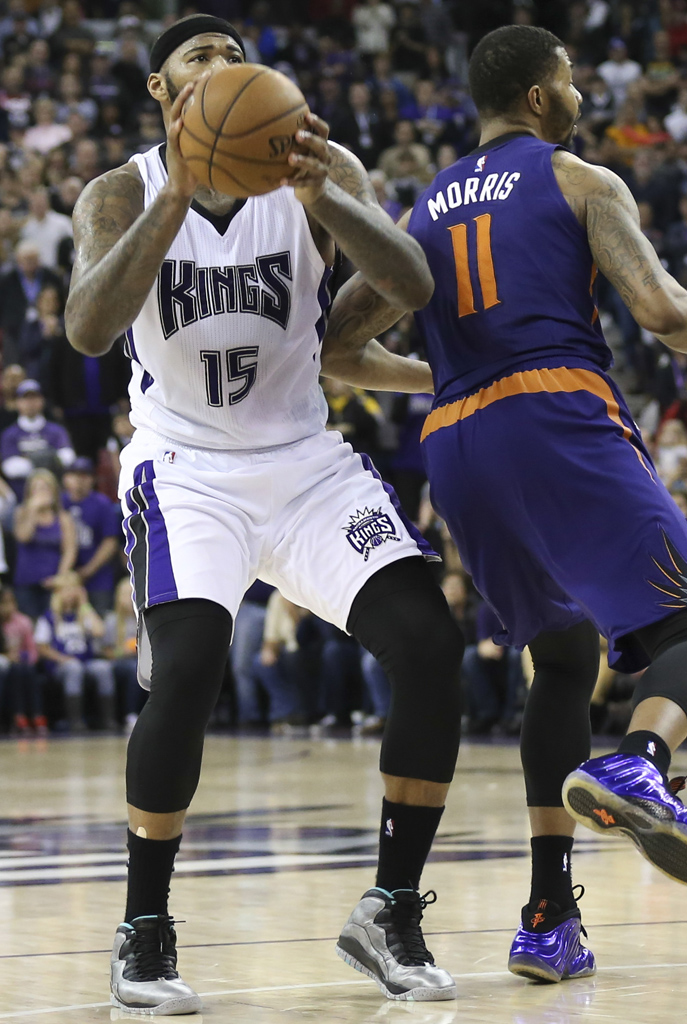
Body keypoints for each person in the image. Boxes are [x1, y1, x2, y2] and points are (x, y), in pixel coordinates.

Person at [65, 15, 463, 1015]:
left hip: (304, 463)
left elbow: (411, 281)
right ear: (163, 90)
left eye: (235, 55)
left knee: (427, 641)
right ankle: (144, 932)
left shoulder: (315, 172)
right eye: (200, 57)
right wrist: (181, 197)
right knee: (192, 667)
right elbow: (87, 327)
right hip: (184, 468)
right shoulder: (120, 191)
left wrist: (329, 192)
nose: (222, 67)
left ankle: (391, 907)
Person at [323, 22, 687, 989]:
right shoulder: (577, 178)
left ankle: (547, 921)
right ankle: (641, 758)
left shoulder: (423, 209)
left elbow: (336, 350)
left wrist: (446, 378)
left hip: (459, 445)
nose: (575, 95)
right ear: (539, 97)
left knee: (561, 662)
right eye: (567, 80)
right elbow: (661, 312)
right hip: (555, 410)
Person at [34, 572, 116, 732]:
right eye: (66, 589)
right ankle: (76, 721)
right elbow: (41, 647)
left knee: (103, 668)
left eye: (74, 589)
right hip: (61, 666)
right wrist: (62, 658)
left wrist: (85, 604)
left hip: (85, 661)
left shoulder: (83, 614)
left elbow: (99, 631)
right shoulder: (49, 617)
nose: (70, 593)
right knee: (73, 668)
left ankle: (108, 720)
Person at [12, 467, 77, 620]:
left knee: (52, 623)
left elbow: (69, 551)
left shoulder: (63, 518)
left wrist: (59, 577)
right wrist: (33, 510)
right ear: (29, 492)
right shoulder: (21, 512)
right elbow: (23, 536)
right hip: (26, 583)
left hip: (54, 583)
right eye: (37, 488)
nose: (42, 491)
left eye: (46, 487)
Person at [62, 456, 120, 616]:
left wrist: (89, 570)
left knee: (99, 618)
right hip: (65, 578)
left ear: (92, 479)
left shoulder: (102, 503)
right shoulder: (60, 502)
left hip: (98, 577)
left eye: (84, 475)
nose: (79, 480)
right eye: (74, 475)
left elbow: (110, 541)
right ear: (66, 477)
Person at [0, 378, 75, 498]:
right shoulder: (10, 433)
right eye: (26, 398)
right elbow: (10, 468)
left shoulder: (56, 430)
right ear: (18, 402)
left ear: (42, 401)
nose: (30, 403)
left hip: (55, 493)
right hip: (22, 495)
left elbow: (68, 457)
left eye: (34, 398)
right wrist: (48, 459)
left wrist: (28, 460)